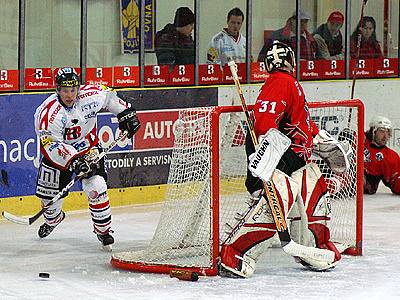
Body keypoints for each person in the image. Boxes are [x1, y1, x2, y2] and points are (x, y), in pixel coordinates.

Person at [220, 41, 347, 278]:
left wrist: (317, 137)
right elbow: (264, 124)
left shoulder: (288, 83)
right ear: (290, 60)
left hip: (293, 158)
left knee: (315, 190)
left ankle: (313, 248)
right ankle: (236, 252)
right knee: (272, 206)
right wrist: (271, 158)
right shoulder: (281, 82)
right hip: (279, 158)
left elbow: (300, 123)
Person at [33, 67, 140, 249]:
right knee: (50, 205)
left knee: (96, 187)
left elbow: (110, 97)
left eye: (73, 89)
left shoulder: (91, 95)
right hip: (57, 160)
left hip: (88, 149)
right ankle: (53, 219)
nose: (69, 95)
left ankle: (104, 231)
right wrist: (73, 160)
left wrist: (126, 114)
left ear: (78, 88)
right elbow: (51, 145)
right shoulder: (47, 114)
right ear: (57, 89)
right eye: (65, 90)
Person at [364, 116, 400, 195]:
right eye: (382, 131)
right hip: (348, 176)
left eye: (388, 132)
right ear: (373, 131)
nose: (385, 136)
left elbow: (396, 181)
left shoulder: (391, 156)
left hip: (366, 185)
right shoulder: (359, 140)